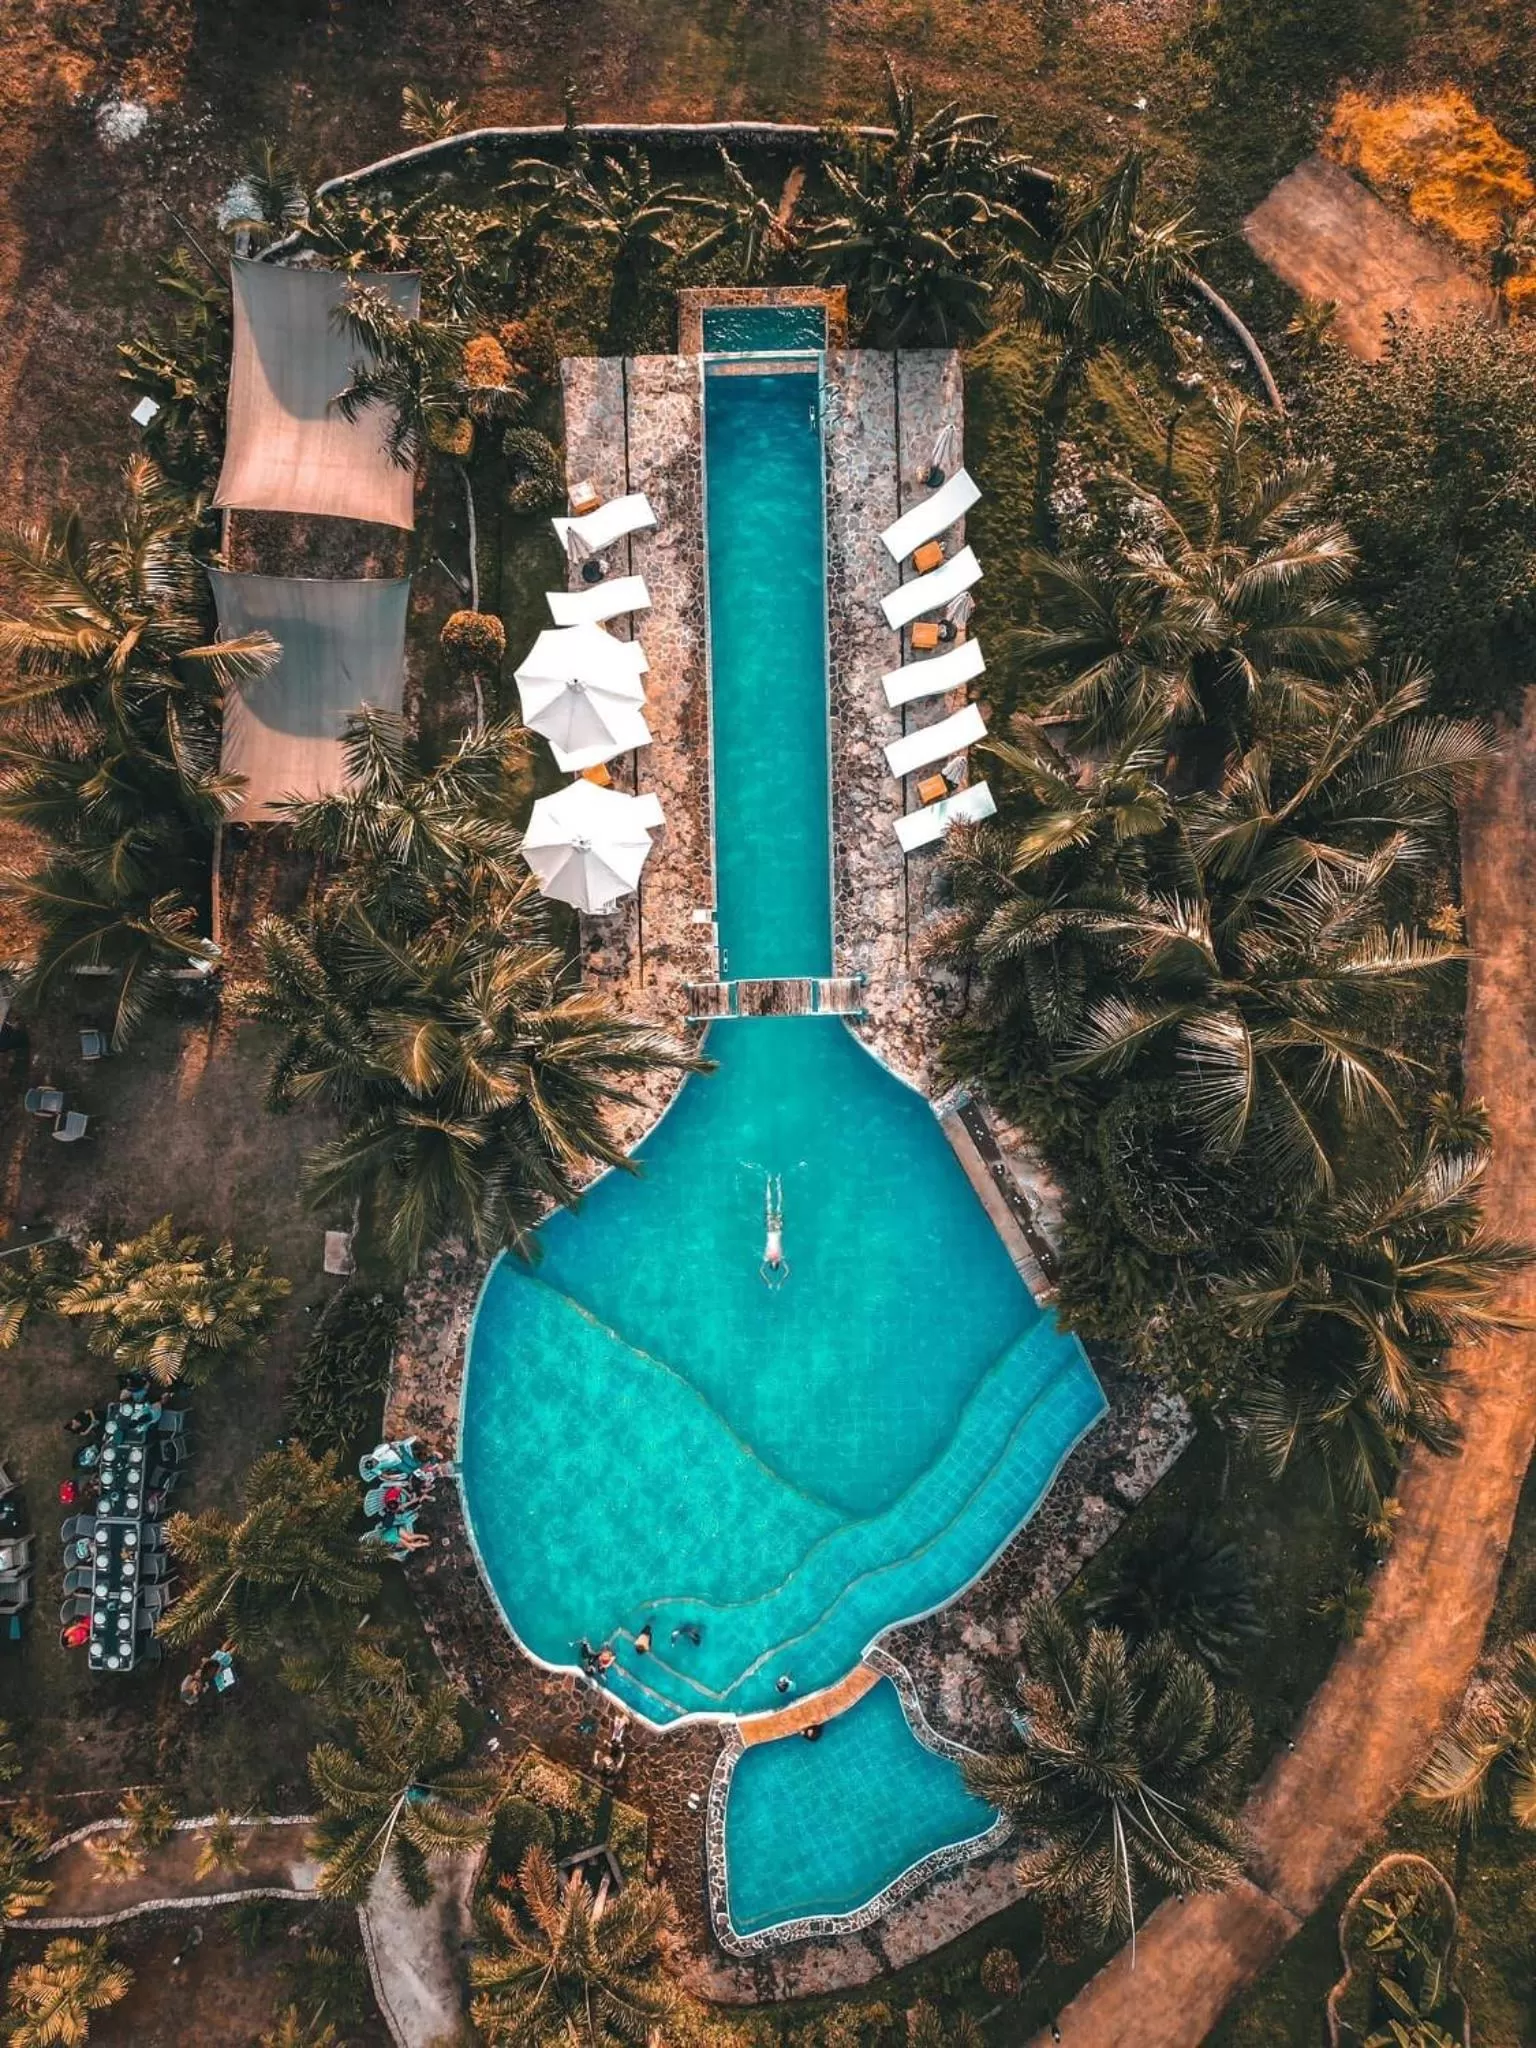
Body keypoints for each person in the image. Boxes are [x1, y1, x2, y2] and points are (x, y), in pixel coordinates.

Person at [759, 1175, 788, 1288]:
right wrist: (780, 1282)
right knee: (778, 1207)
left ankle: (769, 1181)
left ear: (771, 1265)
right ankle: (778, 1182)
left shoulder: (767, 1258)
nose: (774, 1263)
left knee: (770, 1205)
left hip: (771, 1230)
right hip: (777, 1230)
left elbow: (761, 1271)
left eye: (773, 1264)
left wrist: (768, 1282)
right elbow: (787, 1271)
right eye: (776, 1264)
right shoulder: (780, 1258)